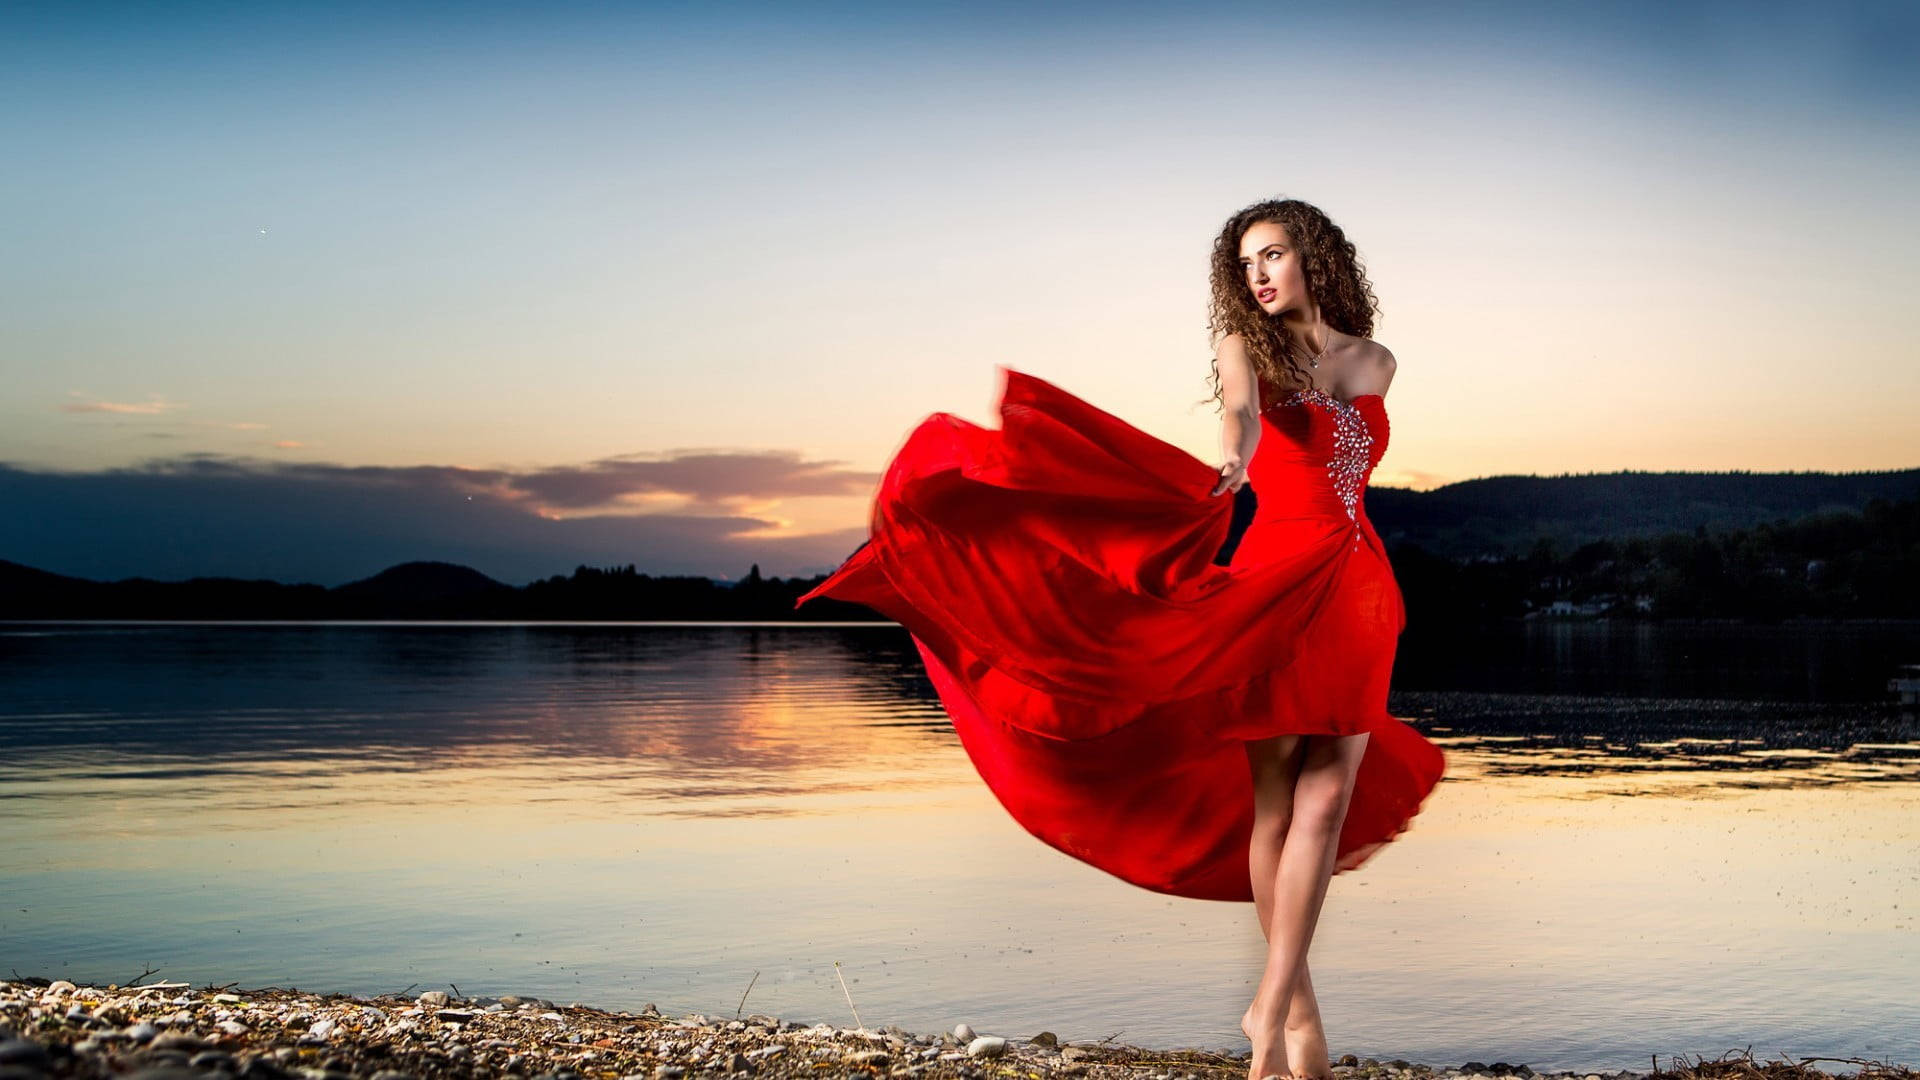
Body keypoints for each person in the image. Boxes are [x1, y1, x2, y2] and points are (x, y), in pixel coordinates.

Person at [794, 197, 1445, 1080]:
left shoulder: (1376, 360)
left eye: (1275, 255)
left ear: (1315, 259)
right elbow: (1244, 423)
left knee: (1328, 805)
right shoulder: (1243, 349)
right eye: (1246, 261)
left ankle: (1278, 1008)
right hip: (1274, 582)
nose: (1258, 274)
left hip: (1361, 586)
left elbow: (1353, 458)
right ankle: (1285, 1020)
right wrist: (1230, 462)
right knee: (1277, 804)